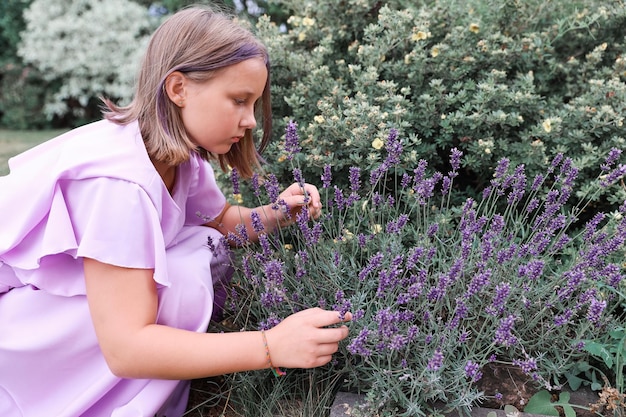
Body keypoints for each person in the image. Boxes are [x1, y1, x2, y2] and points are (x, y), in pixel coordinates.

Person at [0, 5, 351, 417]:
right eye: (239, 100)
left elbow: (220, 223)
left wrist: (276, 213)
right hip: (22, 331)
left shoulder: (175, 156)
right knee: (183, 274)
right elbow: (127, 348)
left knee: (197, 248)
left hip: (56, 315)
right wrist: (270, 346)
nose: (251, 121)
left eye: (254, 104)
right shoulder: (119, 185)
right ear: (178, 88)